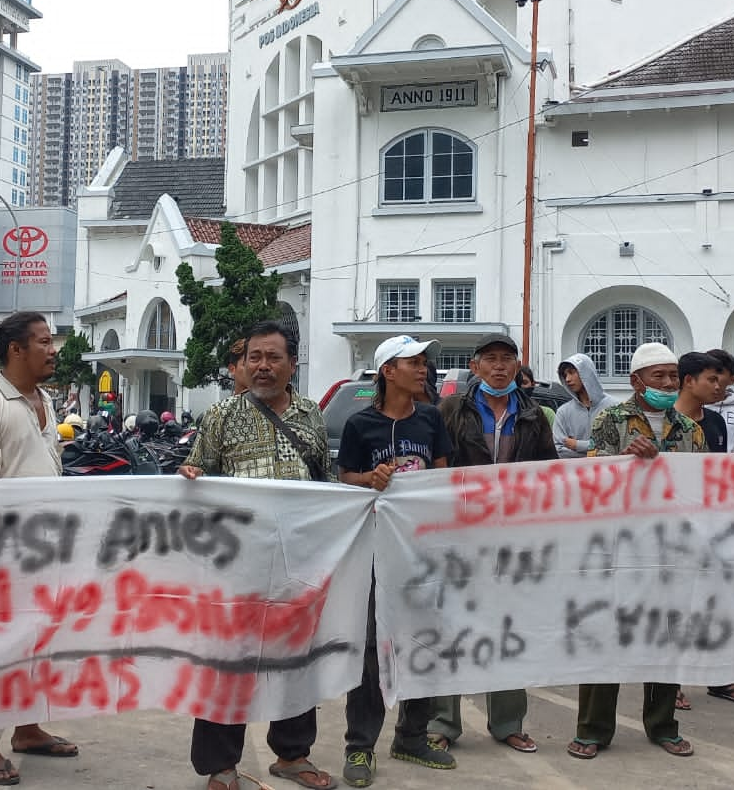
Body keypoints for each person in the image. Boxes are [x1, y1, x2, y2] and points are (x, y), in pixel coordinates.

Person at [178, 321, 333, 790]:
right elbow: (199, 474)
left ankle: (292, 755)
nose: (262, 366)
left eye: (273, 357)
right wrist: (190, 474)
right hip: (236, 569)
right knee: (229, 666)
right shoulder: (221, 416)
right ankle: (220, 767)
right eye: (254, 357)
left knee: (294, 664)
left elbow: (323, 487)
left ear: (292, 364)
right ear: (243, 364)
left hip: (297, 566)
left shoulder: (310, 415)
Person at [0, 313, 78, 784]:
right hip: (3, 554)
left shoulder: (43, 399)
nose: (53, 350)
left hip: (46, 550)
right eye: (45, 342)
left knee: (37, 644)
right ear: (15, 351)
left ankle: (27, 728)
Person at [569, 342, 699, 762]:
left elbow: (699, 486)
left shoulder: (689, 428)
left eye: (672, 377)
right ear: (636, 381)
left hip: (670, 549)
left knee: (664, 637)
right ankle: (592, 729)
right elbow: (593, 476)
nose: (666, 384)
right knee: (608, 635)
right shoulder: (612, 419)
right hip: (619, 549)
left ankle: (663, 725)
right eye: (657, 377)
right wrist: (624, 460)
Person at [337, 336, 457, 787]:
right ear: (388, 370)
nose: (423, 368)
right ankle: (360, 747)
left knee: (422, 642)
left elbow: (443, 475)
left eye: (425, 361)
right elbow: (345, 478)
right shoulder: (359, 424)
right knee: (372, 649)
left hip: (422, 550)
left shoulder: (430, 418)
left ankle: (412, 736)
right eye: (413, 362)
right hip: (375, 549)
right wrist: (372, 478)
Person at [428, 332, 556, 754]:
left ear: (517, 367)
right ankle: (443, 723)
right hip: (460, 534)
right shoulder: (450, 409)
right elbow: (434, 467)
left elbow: (550, 474)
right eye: (491, 359)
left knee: (509, 627)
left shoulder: (535, 415)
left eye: (508, 359)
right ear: (475, 367)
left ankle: (508, 722)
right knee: (451, 627)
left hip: (512, 538)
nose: (500, 366)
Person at [673, 351, 734, 707]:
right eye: (711, 379)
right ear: (688, 380)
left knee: (718, 603)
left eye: (719, 379)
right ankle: (669, 682)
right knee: (676, 606)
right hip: (673, 528)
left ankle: (719, 676)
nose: (719, 386)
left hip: (713, 524)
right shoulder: (666, 422)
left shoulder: (717, 424)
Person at [553, 353, 614, 458]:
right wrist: (595, 450)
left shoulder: (614, 407)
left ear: (586, 373)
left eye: (571, 373)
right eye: (565, 375)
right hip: (575, 473)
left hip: (606, 472)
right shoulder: (563, 412)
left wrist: (577, 445)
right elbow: (559, 450)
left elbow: (616, 445)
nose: (567, 379)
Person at [703, 349, 734, 438]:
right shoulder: (692, 408)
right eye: (706, 371)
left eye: (718, 372)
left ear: (732, 379)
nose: (711, 376)